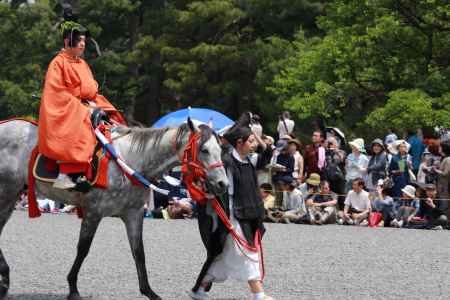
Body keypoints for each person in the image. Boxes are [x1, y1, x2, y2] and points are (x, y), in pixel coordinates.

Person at [190, 113, 273, 300]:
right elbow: (221, 191)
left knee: (222, 256)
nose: (254, 145)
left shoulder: (248, 160)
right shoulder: (226, 161)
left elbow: (267, 152)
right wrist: (227, 220)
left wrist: (254, 132)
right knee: (247, 253)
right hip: (234, 216)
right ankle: (258, 293)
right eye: (250, 141)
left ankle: (199, 289)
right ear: (239, 143)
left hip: (249, 214)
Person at [38, 19, 126, 189]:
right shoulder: (58, 63)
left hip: (89, 102)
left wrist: (92, 102)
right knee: (83, 120)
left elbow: (91, 87)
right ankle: (67, 173)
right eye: (79, 41)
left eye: (84, 41)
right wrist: (83, 106)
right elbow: (55, 93)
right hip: (66, 106)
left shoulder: (82, 63)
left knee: (115, 118)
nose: (82, 44)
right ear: (67, 42)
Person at [324, 137, 346, 209]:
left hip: (339, 179)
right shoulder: (325, 152)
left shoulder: (341, 152)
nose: (330, 144)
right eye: (328, 142)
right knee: (329, 197)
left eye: (331, 143)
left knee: (341, 198)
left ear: (336, 144)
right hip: (329, 178)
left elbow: (341, 159)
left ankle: (343, 213)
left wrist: (335, 150)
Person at [434, 142, 450, 214]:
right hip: (441, 186)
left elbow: (445, 173)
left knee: (445, 204)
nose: (439, 148)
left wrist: (436, 170)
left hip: (445, 187)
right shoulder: (442, 158)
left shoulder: (448, 159)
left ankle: (445, 222)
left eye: (440, 147)